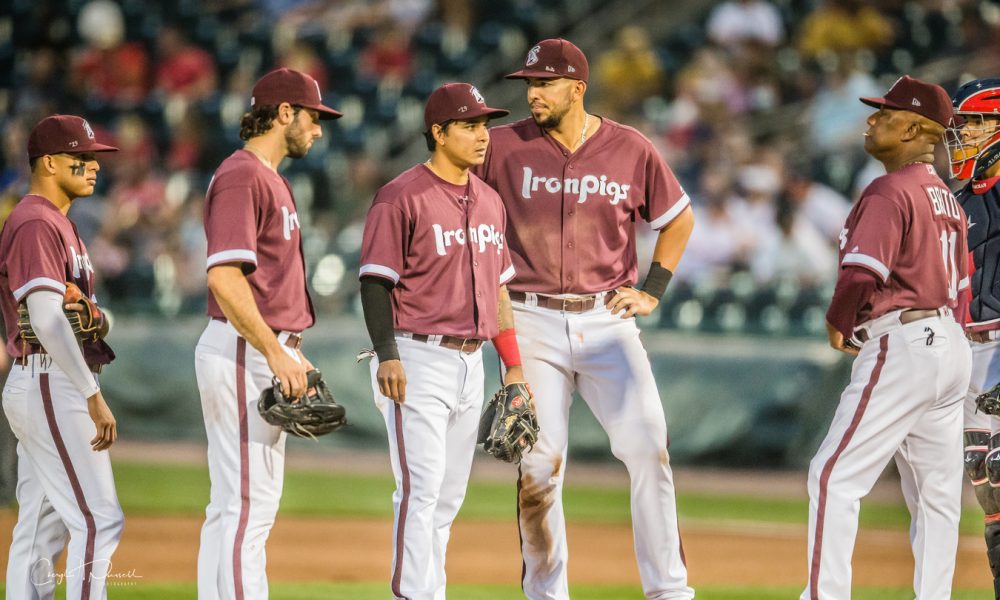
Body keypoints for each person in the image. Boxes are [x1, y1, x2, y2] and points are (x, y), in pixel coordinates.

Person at [474, 38, 696, 600]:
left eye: (544, 83)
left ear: (578, 87)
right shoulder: (501, 146)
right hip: (528, 318)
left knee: (649, 446)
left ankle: (669, 590)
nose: (532, 94)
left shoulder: (629, 148)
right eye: (528, 84)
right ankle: (547, 595)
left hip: (607, 320)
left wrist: (653, 290)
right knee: (540, 464)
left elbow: (678, 219)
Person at [804, 75, 971, 599]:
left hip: (904, 340)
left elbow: (860, 274)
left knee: (833, 475)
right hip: (948, 343)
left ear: (915, 129)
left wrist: (838, 322)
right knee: (937, 498)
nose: (873, 120)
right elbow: (962, 289)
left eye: (886, 114)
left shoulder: (889, 189)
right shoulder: (948, 199)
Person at [358, 82, 525, 600]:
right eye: (470, 125)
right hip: (414, 354)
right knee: (420, 489)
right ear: (438, 132)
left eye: (484, 125)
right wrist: (387, 353)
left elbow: (499, 290)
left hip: (471, 363)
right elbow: (374, 281)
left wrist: (513, 367)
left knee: (449, 498)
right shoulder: (400, 196)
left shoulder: (491, 201)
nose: (483, 135)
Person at [194, 68, 341, 599]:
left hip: (255, 348)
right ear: (285, 113)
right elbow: (224, 277)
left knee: (233, 507)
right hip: (243, 349)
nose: (319, 129)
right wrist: (275, 350)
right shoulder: (244, 175)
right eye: (314, 117)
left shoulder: (267, 176)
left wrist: (284, 349)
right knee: (246, 508)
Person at [0, 114, 121, 599]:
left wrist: (95, 315)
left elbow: (93, 317)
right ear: (48, 162)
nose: (93, 167)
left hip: (44, 379)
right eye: (81, 158)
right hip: (51, 379)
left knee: (41, 527)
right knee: (100, 521)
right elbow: (47, 319)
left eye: (94, 159)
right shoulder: (34, 221)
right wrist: (92, 395)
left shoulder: (58, 224)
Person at [947, 76, 1000, 596]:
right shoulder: (957, 202)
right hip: (968, 347)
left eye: (975, 124)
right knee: (983, 476)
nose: (963, 136)